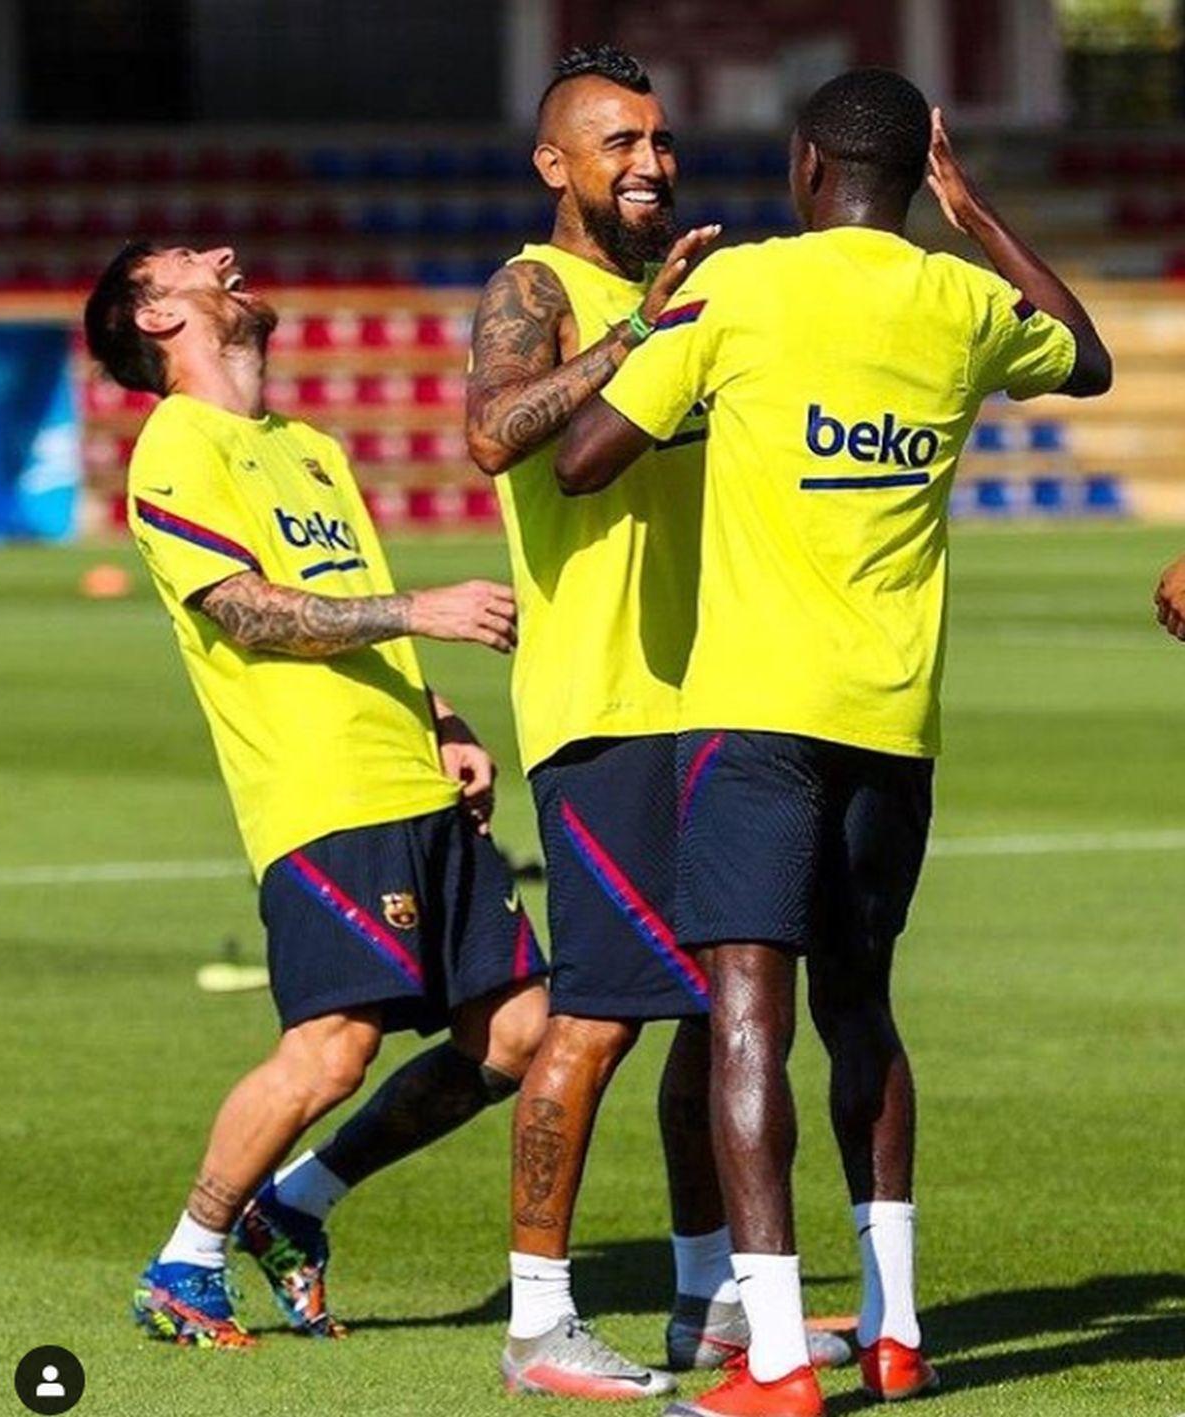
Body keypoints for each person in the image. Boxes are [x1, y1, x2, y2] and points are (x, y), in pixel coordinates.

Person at [557, 70, 1111, 1417]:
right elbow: (1085, 357)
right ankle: (897, 1325)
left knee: (749, 1013)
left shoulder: (740, 290)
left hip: (757, 715)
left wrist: (652, 348)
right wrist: (972, 213)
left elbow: (579, 460)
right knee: (861, 1007)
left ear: (807, 164)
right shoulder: (967, 304)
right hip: (896, 720)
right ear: (916, 173)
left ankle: (782, 1361)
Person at [466, 44, 849, 1399]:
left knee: (714, 1012)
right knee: (599, 1017)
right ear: (554, 163)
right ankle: (535, 1322)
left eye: (660, 139)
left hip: (725, 697)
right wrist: (639, 335)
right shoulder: (535, 285)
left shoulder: (699, 291)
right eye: (618, 141)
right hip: (608, 704)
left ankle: (713, 1302)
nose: (649, 161)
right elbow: (495, 431)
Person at [83, 240, 550, 1348]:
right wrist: (420, 612)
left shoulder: (308, 447)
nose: (228, 259)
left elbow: (345, 594)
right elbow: (247, 611)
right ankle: (186, 1258)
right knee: (334, 1045)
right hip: (320, 794)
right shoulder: (175, 450)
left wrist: (439, 717)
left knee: (522, 1033)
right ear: (155, 319)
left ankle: (297, 1202)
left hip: (410, 779)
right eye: (194, 261)